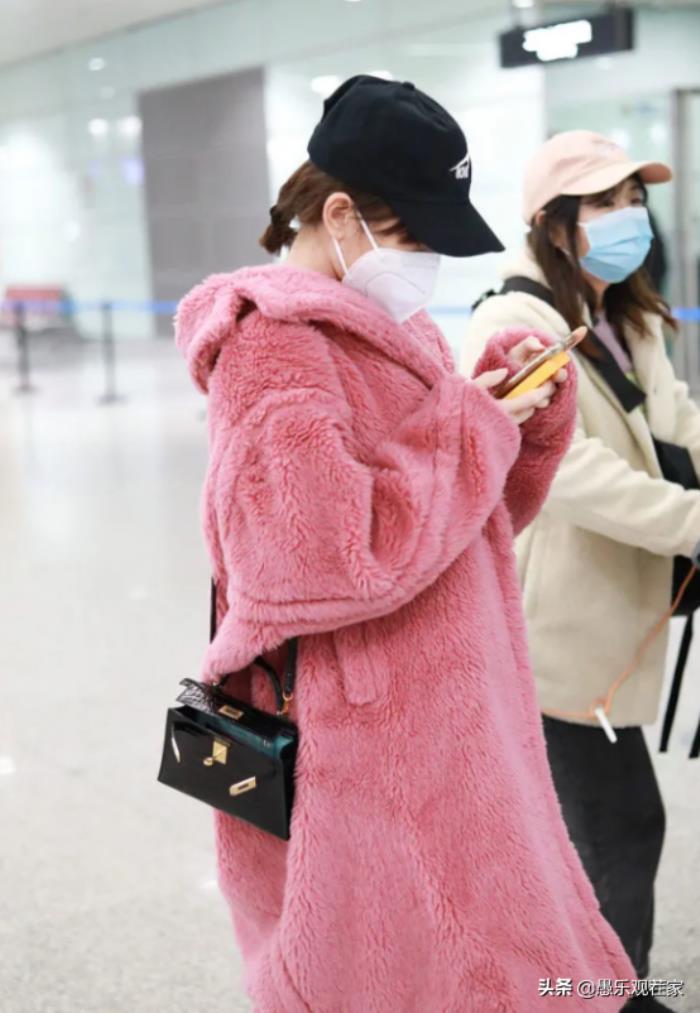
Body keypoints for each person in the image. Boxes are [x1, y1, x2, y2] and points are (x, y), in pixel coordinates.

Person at [175, 82, 636, 1011]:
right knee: (412, 972)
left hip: (452, 722)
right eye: (417, 234)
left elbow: (468, 525)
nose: (426, 260)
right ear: (340, 214)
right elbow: (314, 558)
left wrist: (516, 419)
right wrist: (469, 426)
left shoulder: (396, 327)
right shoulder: (272, 348)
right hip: (372, 744)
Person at [462, 129, 700, 1012]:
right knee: (618, 826)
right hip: (552, 631)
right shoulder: (512, 326)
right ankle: (607, 997)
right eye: (603, 201)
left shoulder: (626, 315)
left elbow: (676, 422)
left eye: (634, 198)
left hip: (612, 619)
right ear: (553, 222)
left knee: (608, 828)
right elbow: (565, 471)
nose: (628, 215)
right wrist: (693, 521)